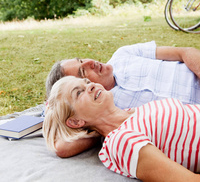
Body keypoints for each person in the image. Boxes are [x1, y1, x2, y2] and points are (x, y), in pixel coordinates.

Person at [45, 41, 200, 157]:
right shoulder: (107, 113)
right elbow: (61, 147)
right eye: (82, 72)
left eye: (81, 60)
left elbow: (184, 52)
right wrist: (51, 108)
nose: (90, 62)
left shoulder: (123, 54)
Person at [43, 76, 200, 182]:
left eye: (86, 82)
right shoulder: (121, 141)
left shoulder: (131, 112)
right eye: (79, 92)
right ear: (76, 121)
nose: (90, 86)